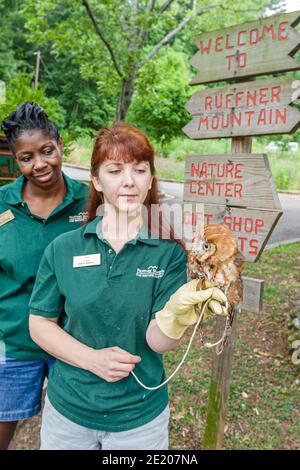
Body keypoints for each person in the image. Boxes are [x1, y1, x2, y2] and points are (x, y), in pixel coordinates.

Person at [28, 122, 227, 450]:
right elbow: (39, 324)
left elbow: (157, 342)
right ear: (96, 179)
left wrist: (175, 316)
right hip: (69, 413)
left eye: (139, 169)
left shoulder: (169, 254)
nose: (129, 181)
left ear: (150, 179)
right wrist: (92, 359)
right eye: (115, 170)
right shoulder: (63, 248)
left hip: (139, 419)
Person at [0, 102, 89, 450]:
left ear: (60, 144)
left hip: (75, 339)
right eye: (26, 157)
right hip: (15, 341)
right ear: (15, 160)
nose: (39, 164)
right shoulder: (2, 206)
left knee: (71, 433)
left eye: (46, 151)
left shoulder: (90, 202)